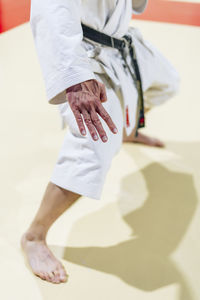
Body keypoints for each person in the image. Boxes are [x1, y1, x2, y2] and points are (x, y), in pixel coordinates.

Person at [21, 0, 180, 284]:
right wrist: (75, 79)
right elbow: (51, 8)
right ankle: (35, 235)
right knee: (94, 150)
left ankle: (126, 130)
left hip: (119, 44)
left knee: (168, 82)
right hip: (84, 57)